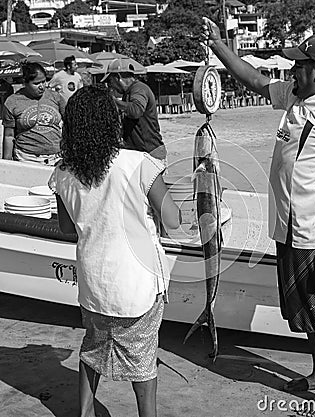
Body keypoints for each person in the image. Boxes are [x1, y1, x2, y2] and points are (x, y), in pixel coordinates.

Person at [201, 18, 315, 416]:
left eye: (300, 65)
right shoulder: (298, 97)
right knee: (305, 308)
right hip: (289, 227)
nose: (293, 70)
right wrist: (220, 48)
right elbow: (256, 81)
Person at [49, 86, 181, 417]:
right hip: (138, 282)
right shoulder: (139, 163)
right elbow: (173, 219)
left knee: (92, 348)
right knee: (143, 356)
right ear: (112, 122)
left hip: (93, 282)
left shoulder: (63, 172)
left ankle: (84, 410)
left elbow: (67, 228)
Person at [101, 58, 167, 162]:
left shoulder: (139, 88)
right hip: (141, 152)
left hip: (150, 152)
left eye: (110, 82)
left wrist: (113, 102)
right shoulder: (128, 93)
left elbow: (136, 111)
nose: (110, 86)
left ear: (118, 77)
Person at [2, 62, 66, 165]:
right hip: (26, 159)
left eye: (44, 81)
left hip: (56, 158)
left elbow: (69, 122)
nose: (42, 86)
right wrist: (7, 163)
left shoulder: (55, 97)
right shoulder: (12, 102)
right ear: (25, 82)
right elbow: (9, 136)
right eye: (36, 83)